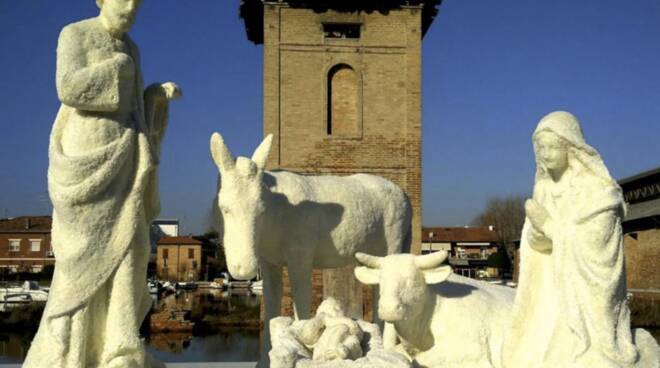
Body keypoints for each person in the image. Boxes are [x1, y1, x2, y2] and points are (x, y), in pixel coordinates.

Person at [24, 0, 180, 366]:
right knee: (83, 254)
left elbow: (133, 105)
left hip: (126, 151)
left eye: (136, 2)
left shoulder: (133, 48)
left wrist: (154, 96)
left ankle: (121, 347)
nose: (129, 7)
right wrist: (116, 69)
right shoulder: (75, 34)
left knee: (134, 244)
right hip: (86, 155)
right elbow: (69, 88)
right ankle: (72, 347)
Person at [503, 111, 658, 367]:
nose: (545, 153)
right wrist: (537, 234)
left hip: (581, 290)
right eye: (540, 148)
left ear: (571, 147)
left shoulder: (597, 190)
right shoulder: (543, 188)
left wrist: (551, 227)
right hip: (553, 283)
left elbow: (597, 240)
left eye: (553, 147)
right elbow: (538, 245)